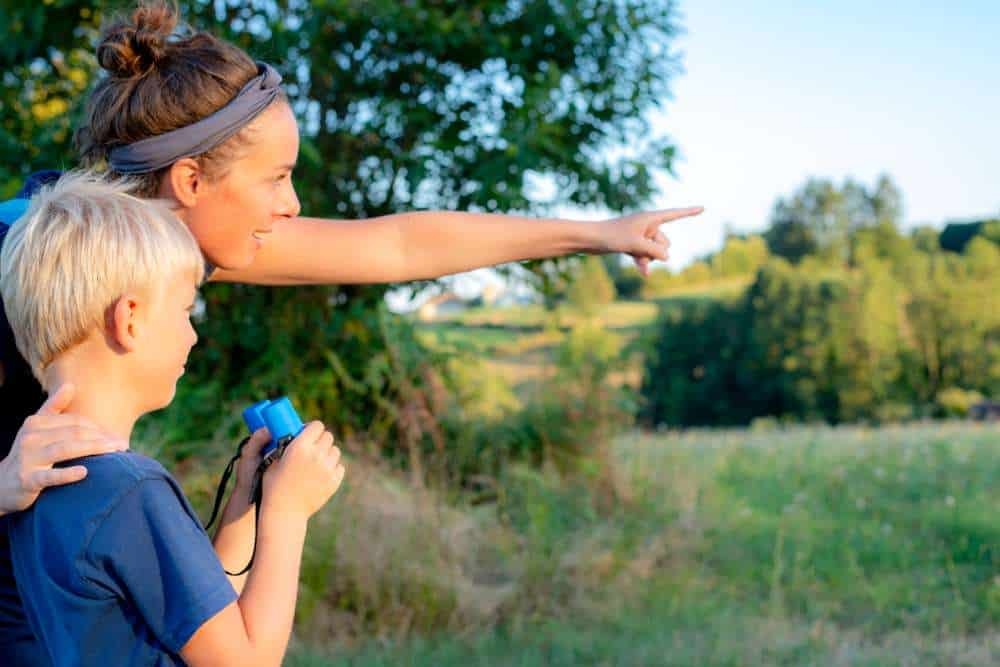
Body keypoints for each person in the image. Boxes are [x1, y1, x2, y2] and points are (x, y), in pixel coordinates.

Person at [0, 2, 701, 661]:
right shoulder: (23, 257)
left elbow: (396, 247)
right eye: (276, 178)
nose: (292, 204)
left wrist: (596, 233)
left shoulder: (149, 252)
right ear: (190, 182)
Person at [1, 170, 345, 666]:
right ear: (130, 319)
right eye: (186, 311)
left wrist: (247, 502)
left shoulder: (37, 483)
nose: (193, 335)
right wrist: (287, 513)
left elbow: (204, 623)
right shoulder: (132, 491)